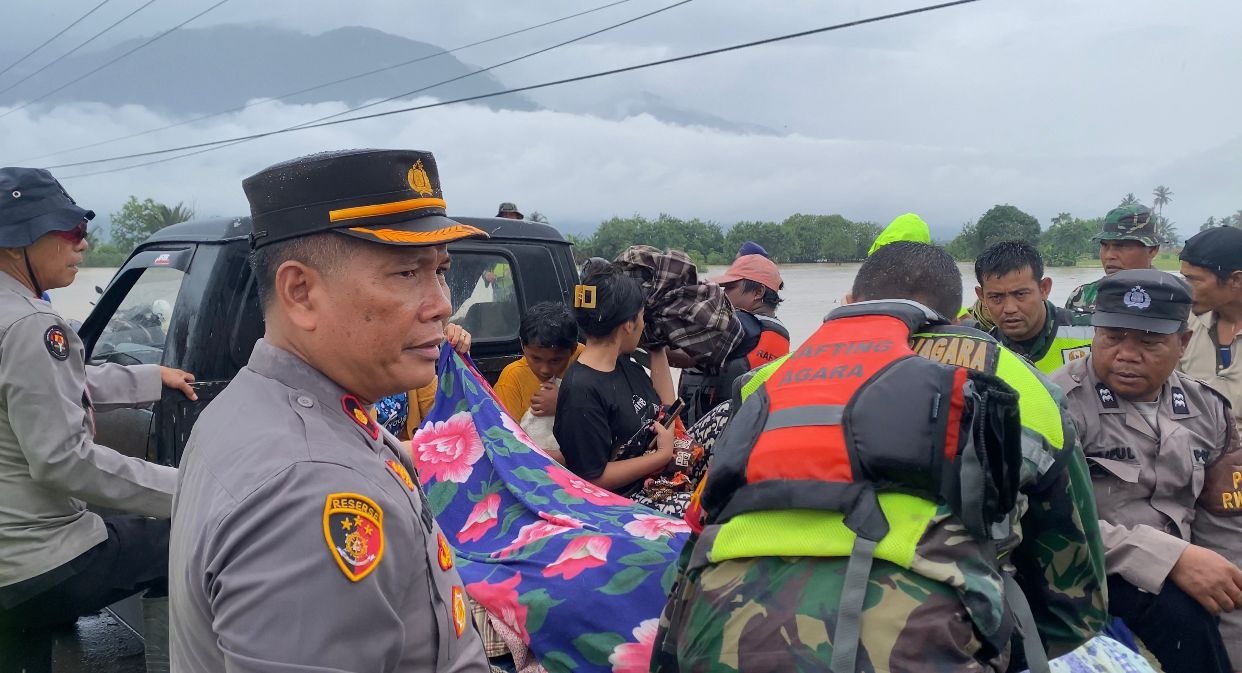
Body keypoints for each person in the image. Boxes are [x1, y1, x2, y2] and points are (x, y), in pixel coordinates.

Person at [654, 242, 1107, 672]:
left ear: (853, 301)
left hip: (719, 629)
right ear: (958, 314)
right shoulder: (1021, 383)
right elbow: (1074, 606)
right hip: (917, 642)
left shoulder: (765, 381)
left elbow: (700, 530)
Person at [169, 149, 490, 672]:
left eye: (442, 271)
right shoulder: (312, 490)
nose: (441, 304)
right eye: (407, 273)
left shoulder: (256, 402)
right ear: (300, 292)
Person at [0, 167, 197, 670]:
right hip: (35, 562)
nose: (82, 244)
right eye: (68, 231)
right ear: (17, 239)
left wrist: (152, 377)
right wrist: (194, 490)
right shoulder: (31, 324)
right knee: (197, 536)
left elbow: (54, 384)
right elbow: (64, 462)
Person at [1049, 269, 1242, 673]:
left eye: (1149, 342)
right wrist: (1173, 559)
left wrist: (1227, 589)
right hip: (1089, 570)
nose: (1126, 354)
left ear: (1182, 343)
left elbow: (1224, 523)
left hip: (1187, 566)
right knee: (1178, 614)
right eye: (1112, 337)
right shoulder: (1056, 406)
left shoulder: (1209, 409)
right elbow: (1049, 524)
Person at [553, 264, 678, 496]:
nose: (643, 325)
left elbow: (666, 411)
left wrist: (657, 348)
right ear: (628, 325)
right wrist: (661, 457)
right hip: (627, 499)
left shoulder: (625, 366)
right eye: (641, 318)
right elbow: (593, 478)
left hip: (656, 476)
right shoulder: (581, 392)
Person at [677, 254, 790, 424]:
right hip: (752, 425)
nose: (723, 294)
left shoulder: (737, 324)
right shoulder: (779, 332)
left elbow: (683, 356)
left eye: (730, 288)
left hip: (714, 430)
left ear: (758, 292)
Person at [975, 240, 1093, 374]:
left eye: (1020, 294)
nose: (1009, 308)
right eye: (996, 297)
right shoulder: (980, 354)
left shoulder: (1094, 334)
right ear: (982, 297)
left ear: (1044, 288)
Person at [1178, 226, 1242, 423]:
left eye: (1193, 281)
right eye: (1183, 278)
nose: (1185, 290)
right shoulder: (1184, 323)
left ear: (1236, 280)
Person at [1064, 204, 1160, 323]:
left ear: (1152, 249)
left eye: (1121, 246)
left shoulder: (1173, 299)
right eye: (1104, 246)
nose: (1109, 256)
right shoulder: (1082, 296)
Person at [493, 301, 584, 421]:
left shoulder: (584, 359)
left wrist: (564, 403)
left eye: (555, 360)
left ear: (573, 349)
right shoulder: (512, 378)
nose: (545, 370)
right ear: (522, 345)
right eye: (536, 359)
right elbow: (505, 433)